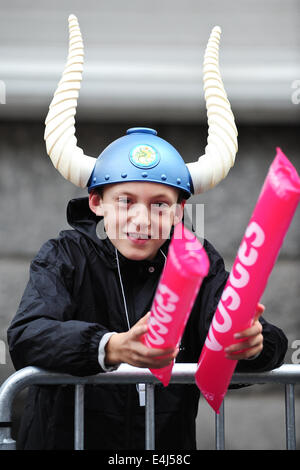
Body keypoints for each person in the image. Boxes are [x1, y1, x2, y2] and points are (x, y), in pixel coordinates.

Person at [7, 16, 287, 450]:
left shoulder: (201, 260)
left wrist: (255, 344)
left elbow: (243, 334)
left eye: (160, 204)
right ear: (97, 203)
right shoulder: (64, 254)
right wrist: (112, 347)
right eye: (125, 201)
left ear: (180, 211)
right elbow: (27, 337)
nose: (142, 218)